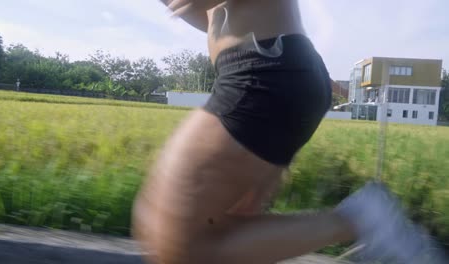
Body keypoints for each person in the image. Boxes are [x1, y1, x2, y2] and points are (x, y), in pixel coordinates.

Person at [132, 1, 443, 263]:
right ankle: (358, 221)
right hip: (272, 68)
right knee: (220, 229)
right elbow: (209, 15)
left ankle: (361, 219)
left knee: (178, 242)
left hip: (262, 74)